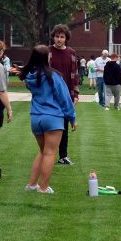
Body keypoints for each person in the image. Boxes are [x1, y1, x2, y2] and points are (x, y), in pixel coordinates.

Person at [16, 45, 77, 195]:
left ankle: (32, 185)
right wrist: (72, 118)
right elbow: (65, 99)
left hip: (36, 117)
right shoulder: (54, 76)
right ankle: (43, 188)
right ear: (47, 58)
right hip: (53, 117)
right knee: (50, 153)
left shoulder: (30, 76)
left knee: (43, 152)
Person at [48, 24, 79, 166]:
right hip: (50, 95)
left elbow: (75, 75)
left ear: (66, 38)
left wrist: (76, 94)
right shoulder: (48, 52)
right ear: (53, 37)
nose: (59, 39)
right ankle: (47, 154)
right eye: (57, 36)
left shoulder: (71, 53)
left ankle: (63, 156)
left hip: (67, 95)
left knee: (65, 127)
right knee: (51, 126)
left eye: (62, 37)